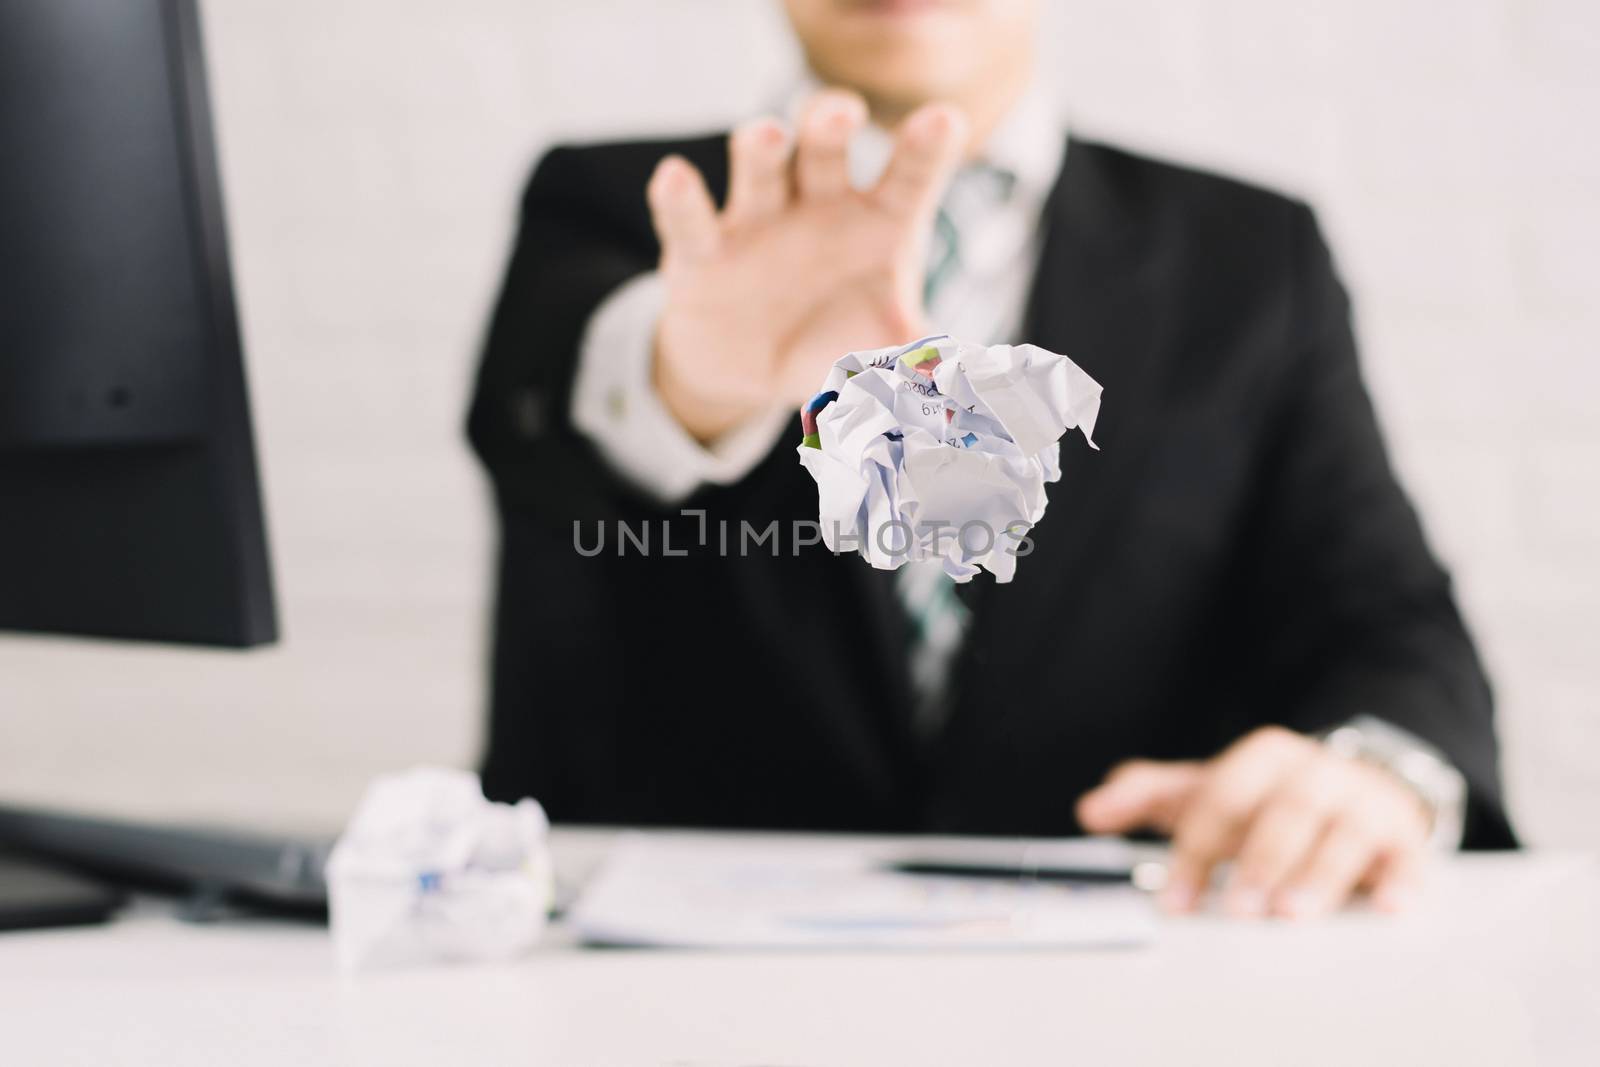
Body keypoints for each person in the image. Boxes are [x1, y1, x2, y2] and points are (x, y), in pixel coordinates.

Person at [468, 0, 1516, 920]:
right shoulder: (613, 203)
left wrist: (1372, 770)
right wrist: (692, 374)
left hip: (1143, 968)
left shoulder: (1249, 254)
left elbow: (1384, 615)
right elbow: (555, 408)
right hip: (659, 983)